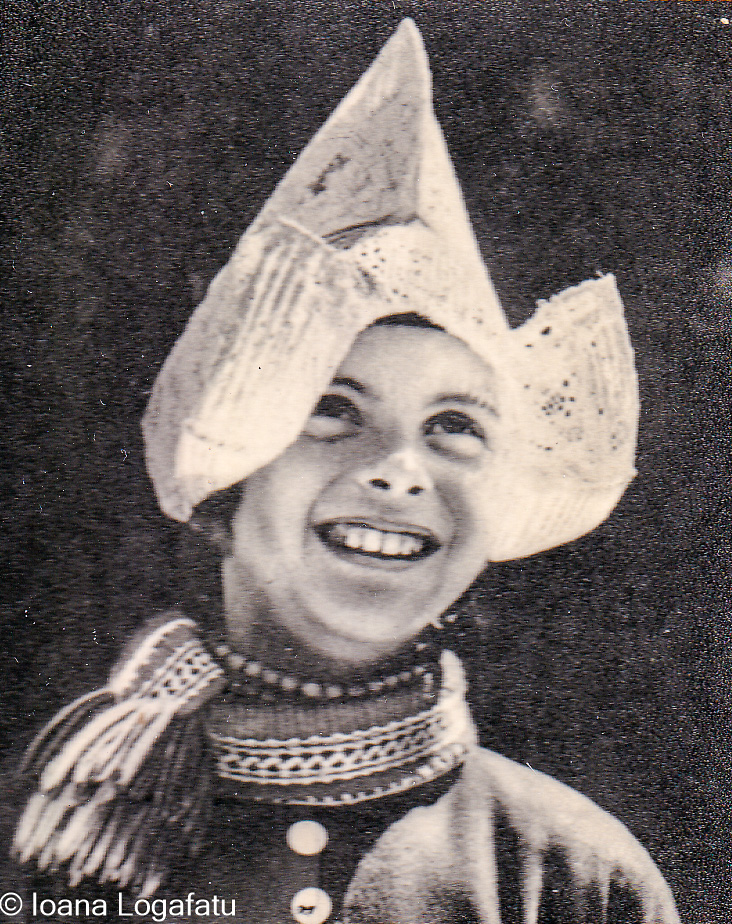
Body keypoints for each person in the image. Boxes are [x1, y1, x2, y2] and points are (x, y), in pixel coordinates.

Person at [10, 20, 680, 924]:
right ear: (223, 485)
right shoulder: (47, 831)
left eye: (454, 426)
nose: (400, 471)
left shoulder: (567, 872)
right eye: (333, 409)